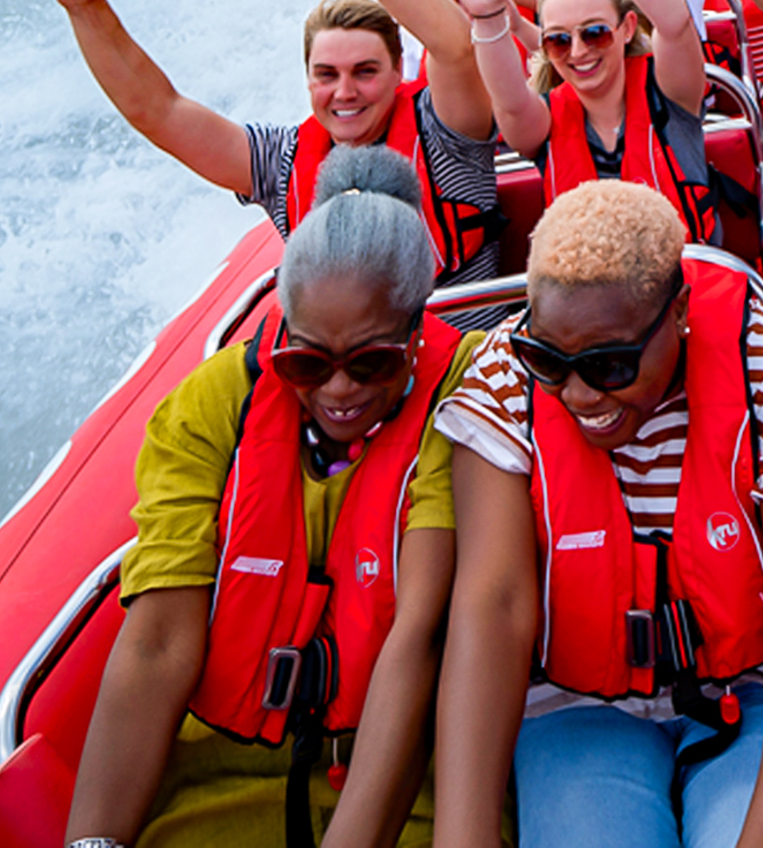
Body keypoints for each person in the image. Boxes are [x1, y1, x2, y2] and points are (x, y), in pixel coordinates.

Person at [432, 181, 763, 848]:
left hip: (755, 685)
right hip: (576, 702)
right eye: (550, 362)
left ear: (677, 313)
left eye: (610, 364)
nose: (580, 394)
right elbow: (492, 604)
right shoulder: (504, 384)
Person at [65, 147, 478, 848]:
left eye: (372, 362)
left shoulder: (464, 395)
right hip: (217, 785)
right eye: (307, 361)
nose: (338, 389)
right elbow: (159, 637)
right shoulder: (208, 405)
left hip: (410, 788)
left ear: (416, 332)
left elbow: (423, 637)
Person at [41, 0, 501, 290]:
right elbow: (159, 111)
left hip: (457, 359)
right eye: (326, 74)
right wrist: (85, 9)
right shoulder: (278, 163)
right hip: (340, 371)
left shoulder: (445, 133)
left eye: (365, 72)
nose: (344, 92)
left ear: (399, 69)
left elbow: (458, 48)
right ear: (307, 80)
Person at [443, 0, 712, 239]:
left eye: (595, 33)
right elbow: (510, 102)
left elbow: (674, 23)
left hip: (683, 281)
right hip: (584, 293)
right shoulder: (544, 122)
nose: (579, 51)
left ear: (626, 27)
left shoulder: (669, 92)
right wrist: (486, 15)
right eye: (558, 41)